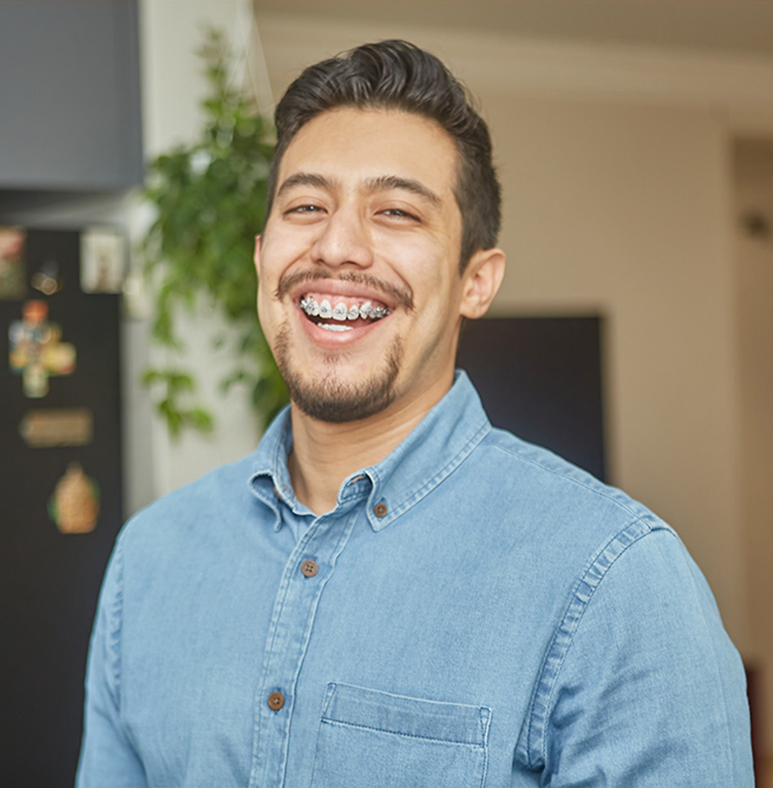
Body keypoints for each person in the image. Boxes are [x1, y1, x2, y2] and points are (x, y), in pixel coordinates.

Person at [76, 40, 752, 787]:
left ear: (476, 281)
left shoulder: (618, 583)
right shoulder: (151, 562)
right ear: (264, 256)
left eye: (396, 211)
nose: (338, 244)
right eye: (307, 206)